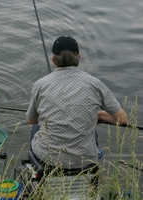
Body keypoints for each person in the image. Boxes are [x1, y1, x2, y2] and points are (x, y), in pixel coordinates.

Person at [26, 36, 128, 171]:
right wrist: (100, 116)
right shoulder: (95, 83)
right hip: (85, 161)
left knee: (36, 128)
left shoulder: (41, 84)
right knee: (92, 131)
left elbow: (31, 119)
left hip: (48, 160)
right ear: (78, 58)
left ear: (53, 60)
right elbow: (122, 119)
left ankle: (37, 176)